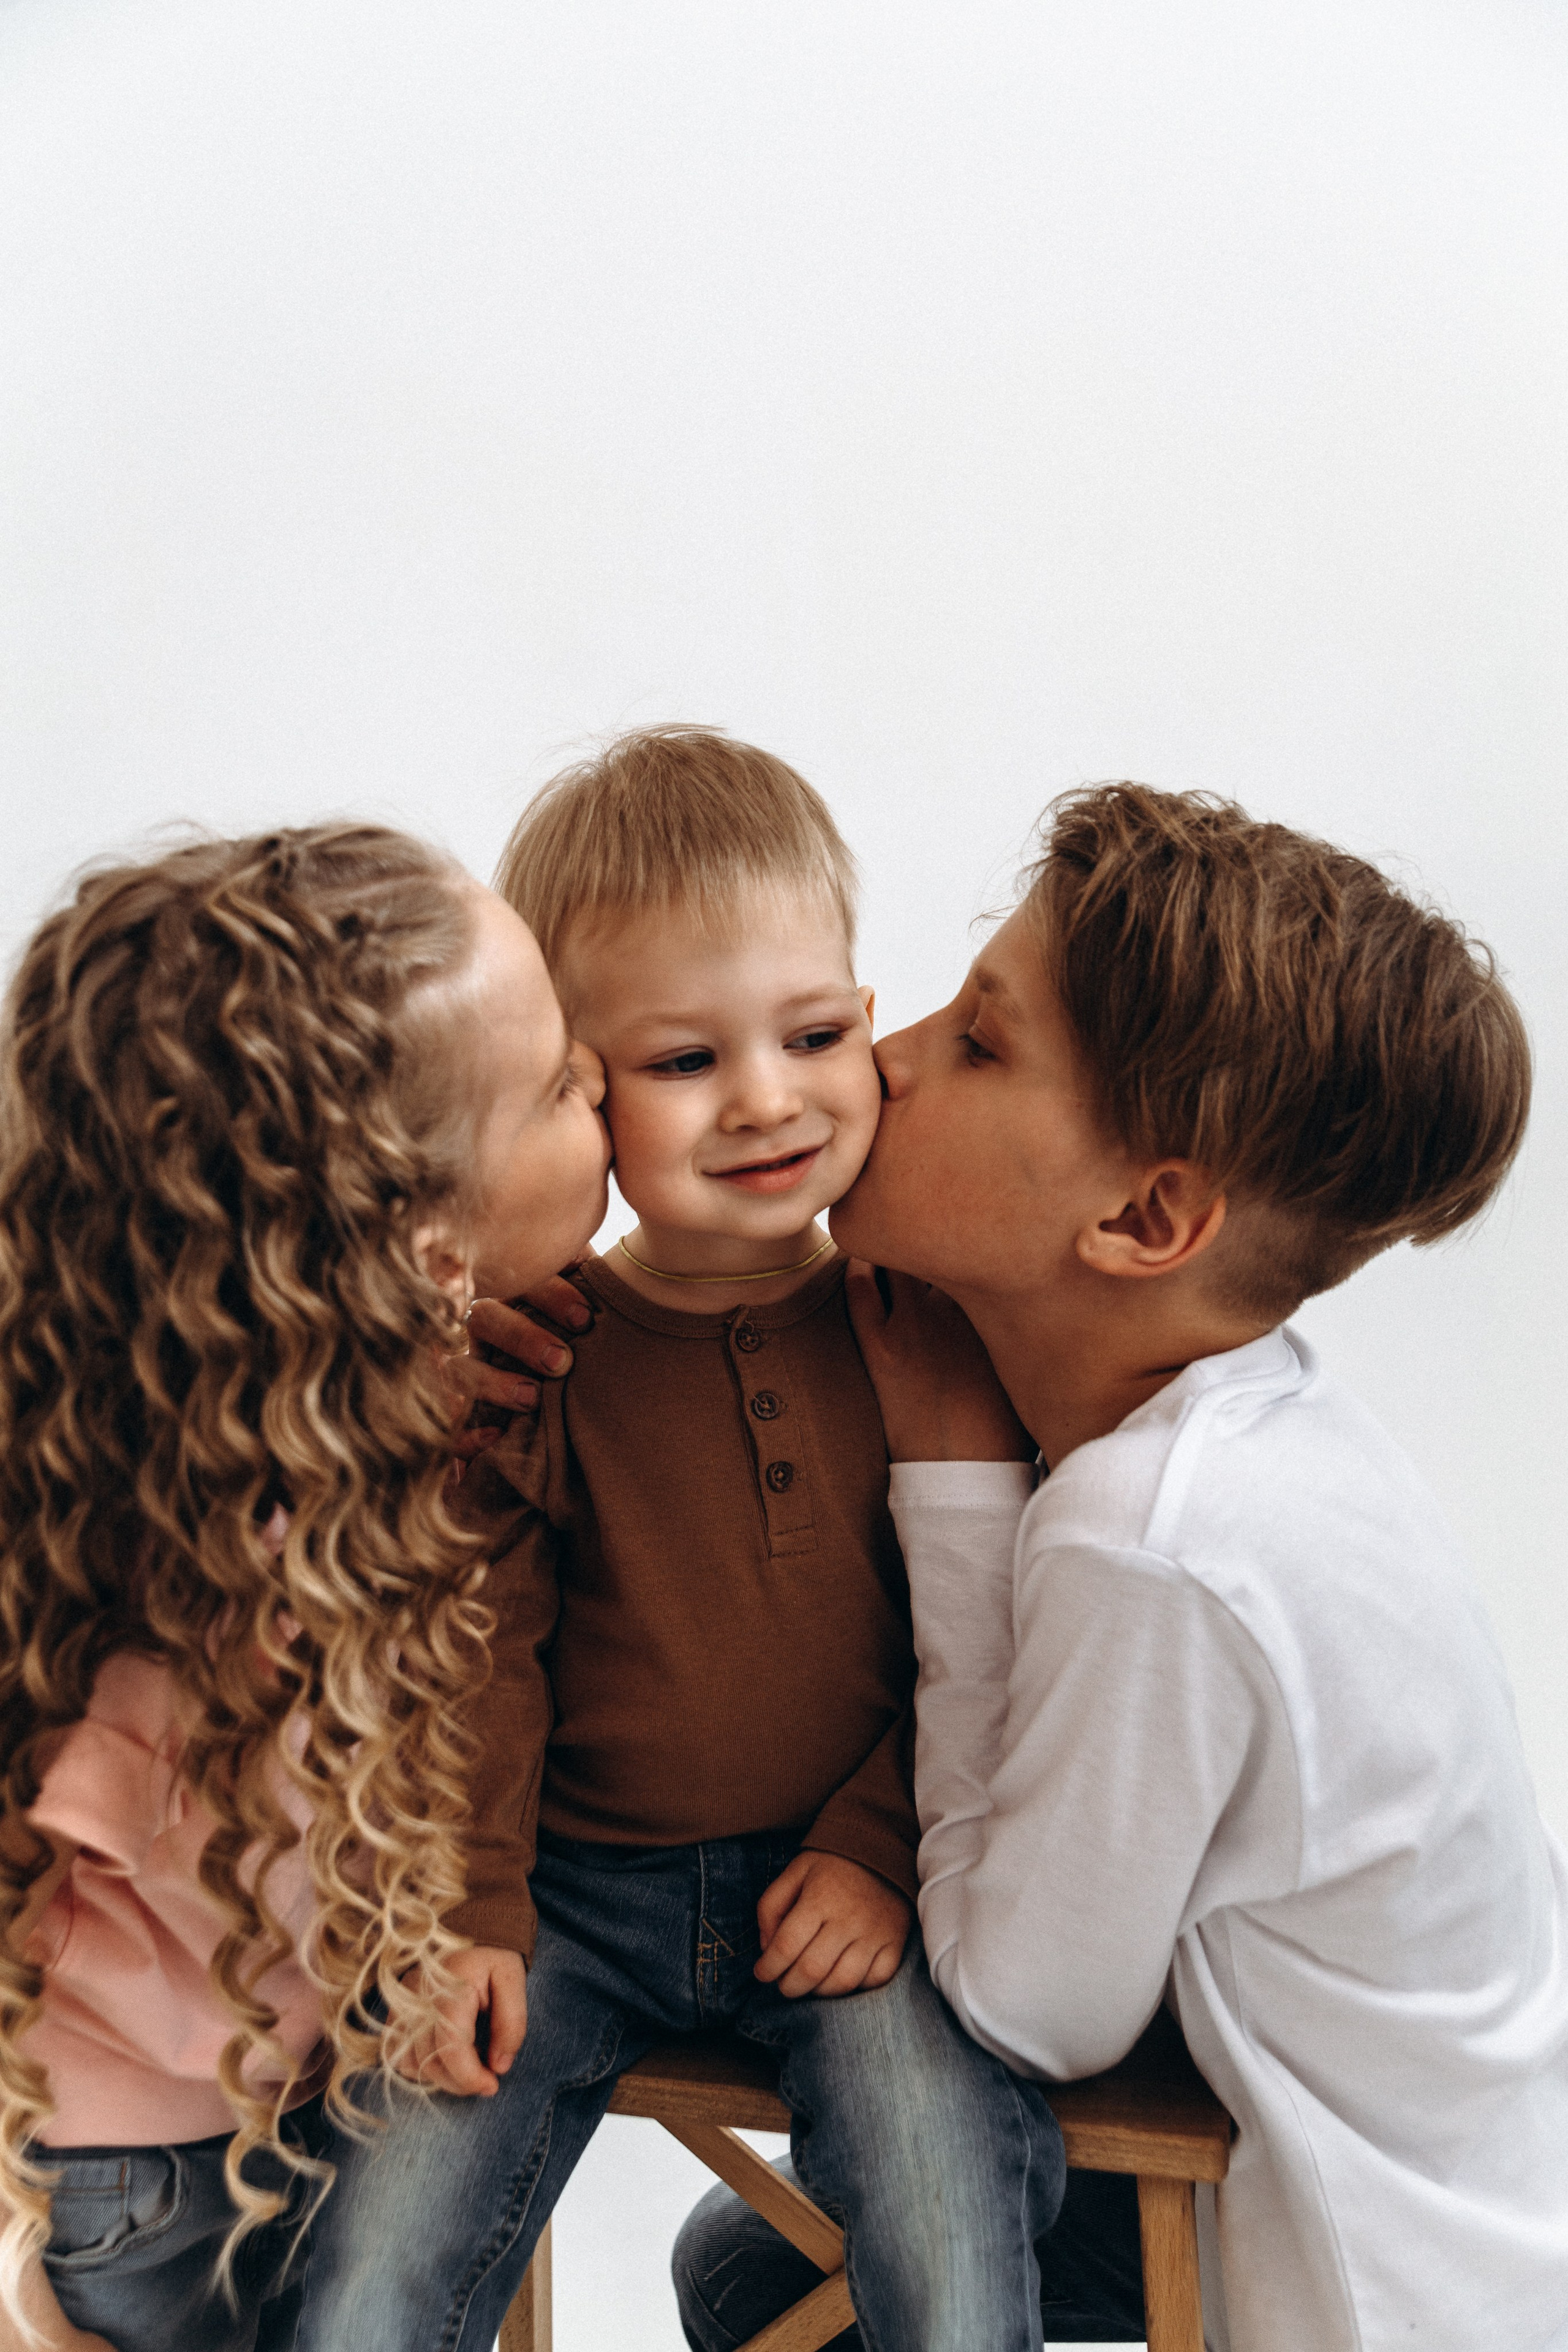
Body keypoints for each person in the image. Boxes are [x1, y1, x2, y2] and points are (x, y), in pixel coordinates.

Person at [672, 783, 1568, 2351]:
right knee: (735, 2262)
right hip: (1483, 2187)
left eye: (977, 1045)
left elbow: (1029, 2009)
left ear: (1145, 1219)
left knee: (755, 2275)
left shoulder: (1155, 1538)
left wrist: (954, 1481)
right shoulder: (1263, 1433)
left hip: (1388, 2287)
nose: (886, 1058)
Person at [290, 728, 1065, 2352]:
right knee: (374, 2250)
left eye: (813, 1032)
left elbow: (998, 1631)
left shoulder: (924, 1326)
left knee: (947, 2212)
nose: (769, 1101)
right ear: (575, 1090)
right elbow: (484, 1657)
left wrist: (876, 1842)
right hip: (575, 1895)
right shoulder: (539, 1354)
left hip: (849, 1887)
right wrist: (480, 1910)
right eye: (685, 1063)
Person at [0, 824, 611, 2352]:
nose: (599, 1081)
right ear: (423, 1254)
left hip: (190, 2132)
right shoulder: (246, 1599)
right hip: (175, 2176)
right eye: (555, 1087)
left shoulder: (215, 1448)